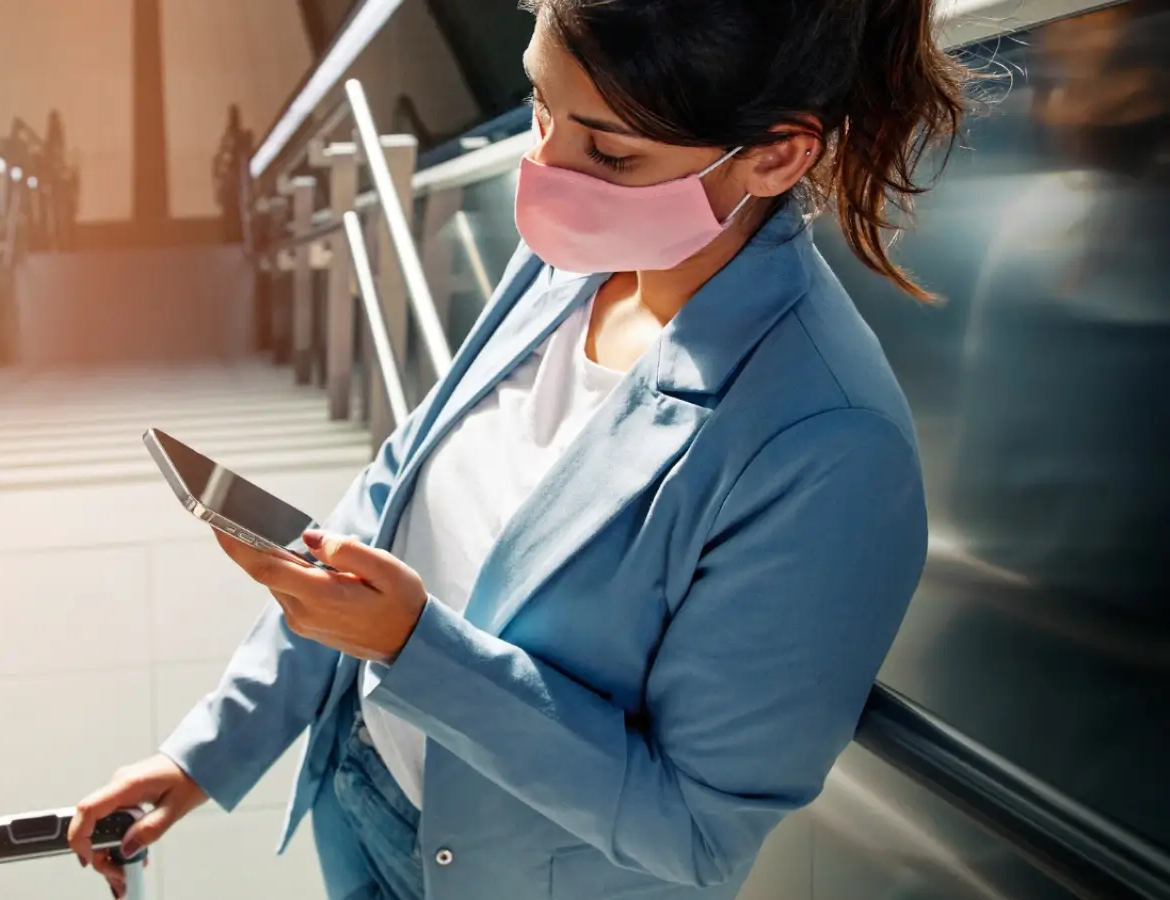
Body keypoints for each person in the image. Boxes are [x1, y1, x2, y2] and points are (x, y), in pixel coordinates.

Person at [71, 0, 964, 897]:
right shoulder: (574, 261)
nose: (540, 168)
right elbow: (397, 490)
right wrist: (207, 750)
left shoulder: (826, 444)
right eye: (540, 106)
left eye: (610, 153)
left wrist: (413, 648)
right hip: (359, 790)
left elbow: (697, 830)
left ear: (776, 155)